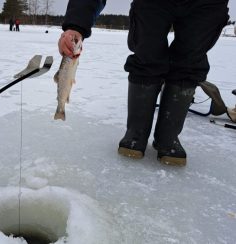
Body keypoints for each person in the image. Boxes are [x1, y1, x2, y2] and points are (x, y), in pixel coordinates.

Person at [58, 0, 229, 166]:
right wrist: (76, 25)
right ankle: (136, 134)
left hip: (207, 4)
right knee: (147, 57)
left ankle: (168, 138)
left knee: (189, 63)